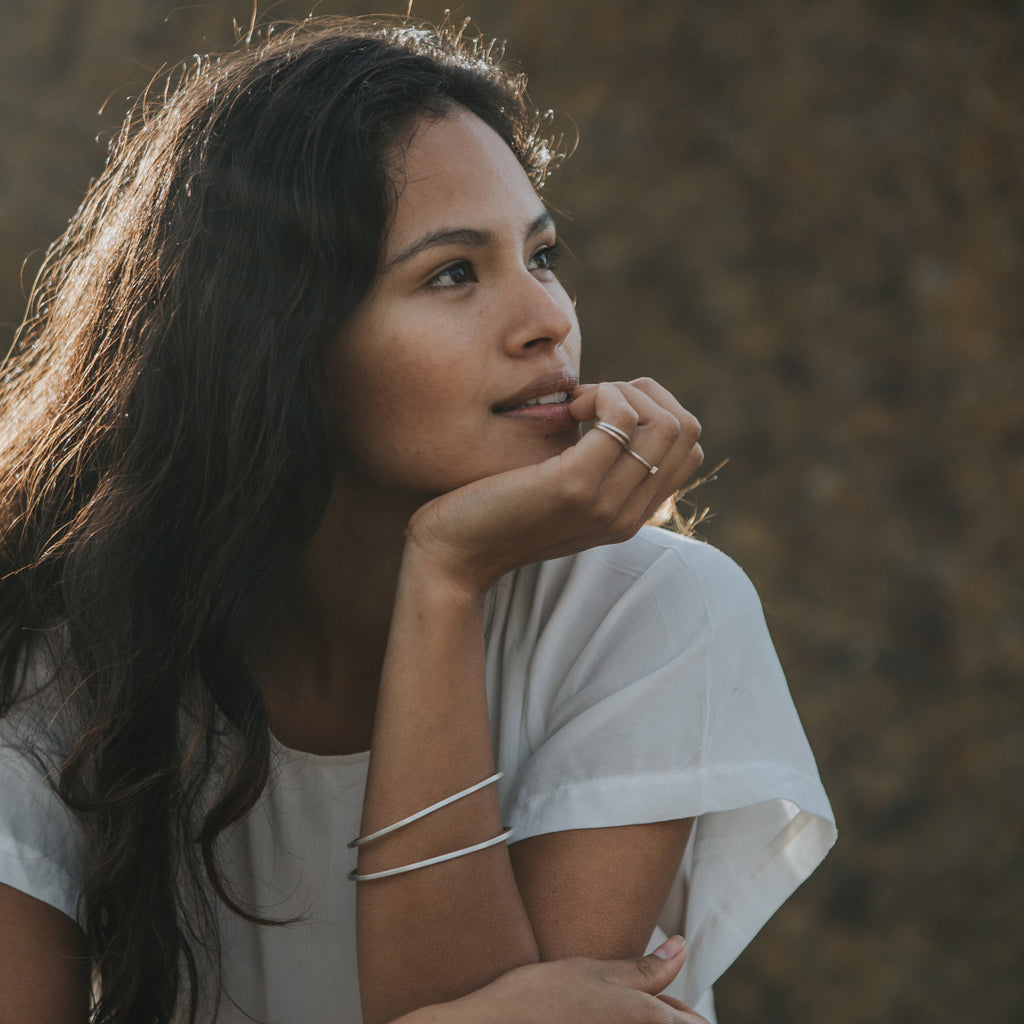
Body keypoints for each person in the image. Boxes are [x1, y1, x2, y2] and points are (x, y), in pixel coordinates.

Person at [0, 16, 836, 1024]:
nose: (545, 320)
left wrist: (444, 577)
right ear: (276, 337)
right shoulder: (53, 644)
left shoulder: (647, 612)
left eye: (542, 254)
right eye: (452, 273)